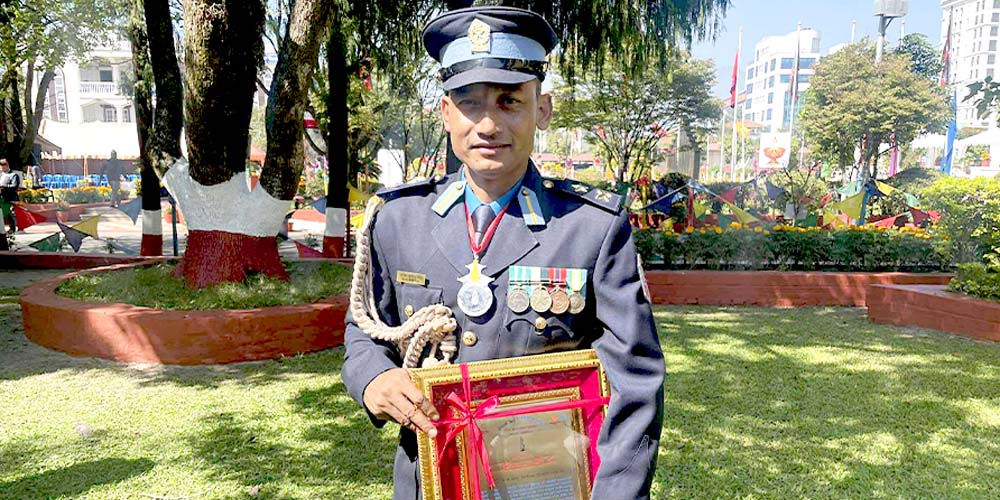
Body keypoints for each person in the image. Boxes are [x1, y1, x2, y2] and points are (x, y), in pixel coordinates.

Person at [341, 7, 664, 500]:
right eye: (469, 103)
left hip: (552, 482)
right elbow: (364, 332)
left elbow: (635, 382)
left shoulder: (592, 227)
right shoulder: (398, 220)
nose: (488, 124)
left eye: (509, 101)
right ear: (446, 113)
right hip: (433, 480)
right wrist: (374, 379)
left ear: (543, 110)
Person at [0, 158, 23, 232]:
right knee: (4, 214)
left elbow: (14, 186)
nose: (2, 167)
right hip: (2, 198)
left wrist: (3, 187)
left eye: (4, 165)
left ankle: (14, 228)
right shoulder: (1, 175)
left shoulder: (13, 175)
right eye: (1, 165)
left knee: (11, 214)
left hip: (11, 198)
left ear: (7, 165)